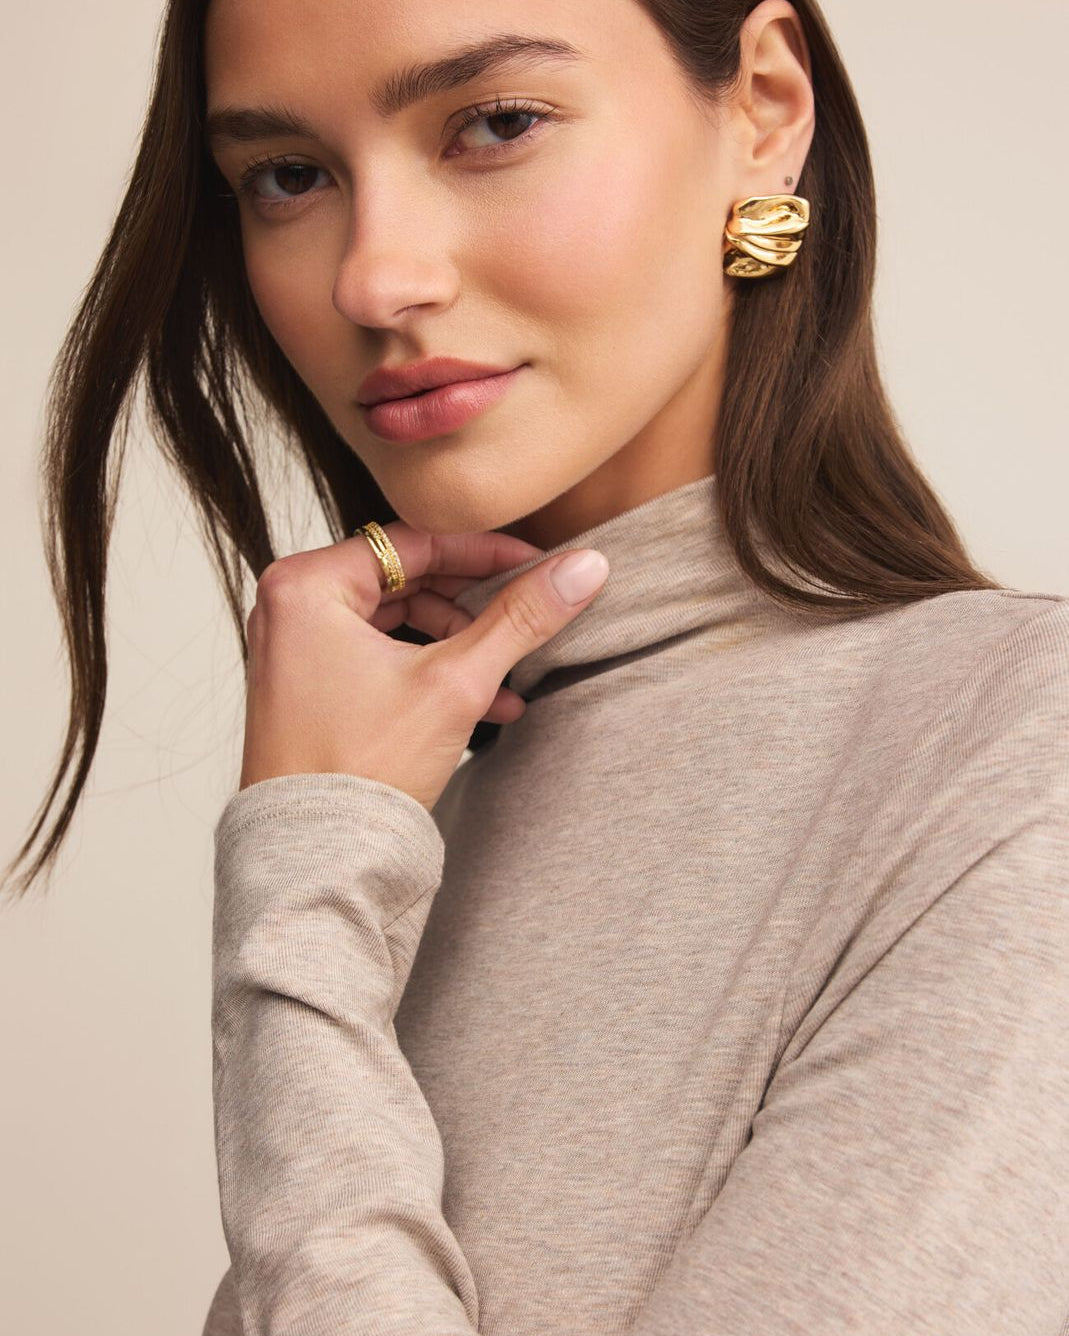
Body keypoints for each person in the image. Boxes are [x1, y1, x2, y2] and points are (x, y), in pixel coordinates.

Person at [5, 0, 1068, 1331]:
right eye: (287, 175)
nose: (372, 281)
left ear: (762, 109)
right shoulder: (402, 786)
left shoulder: (1018, 758)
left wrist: (303, 885)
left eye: (496, 123)